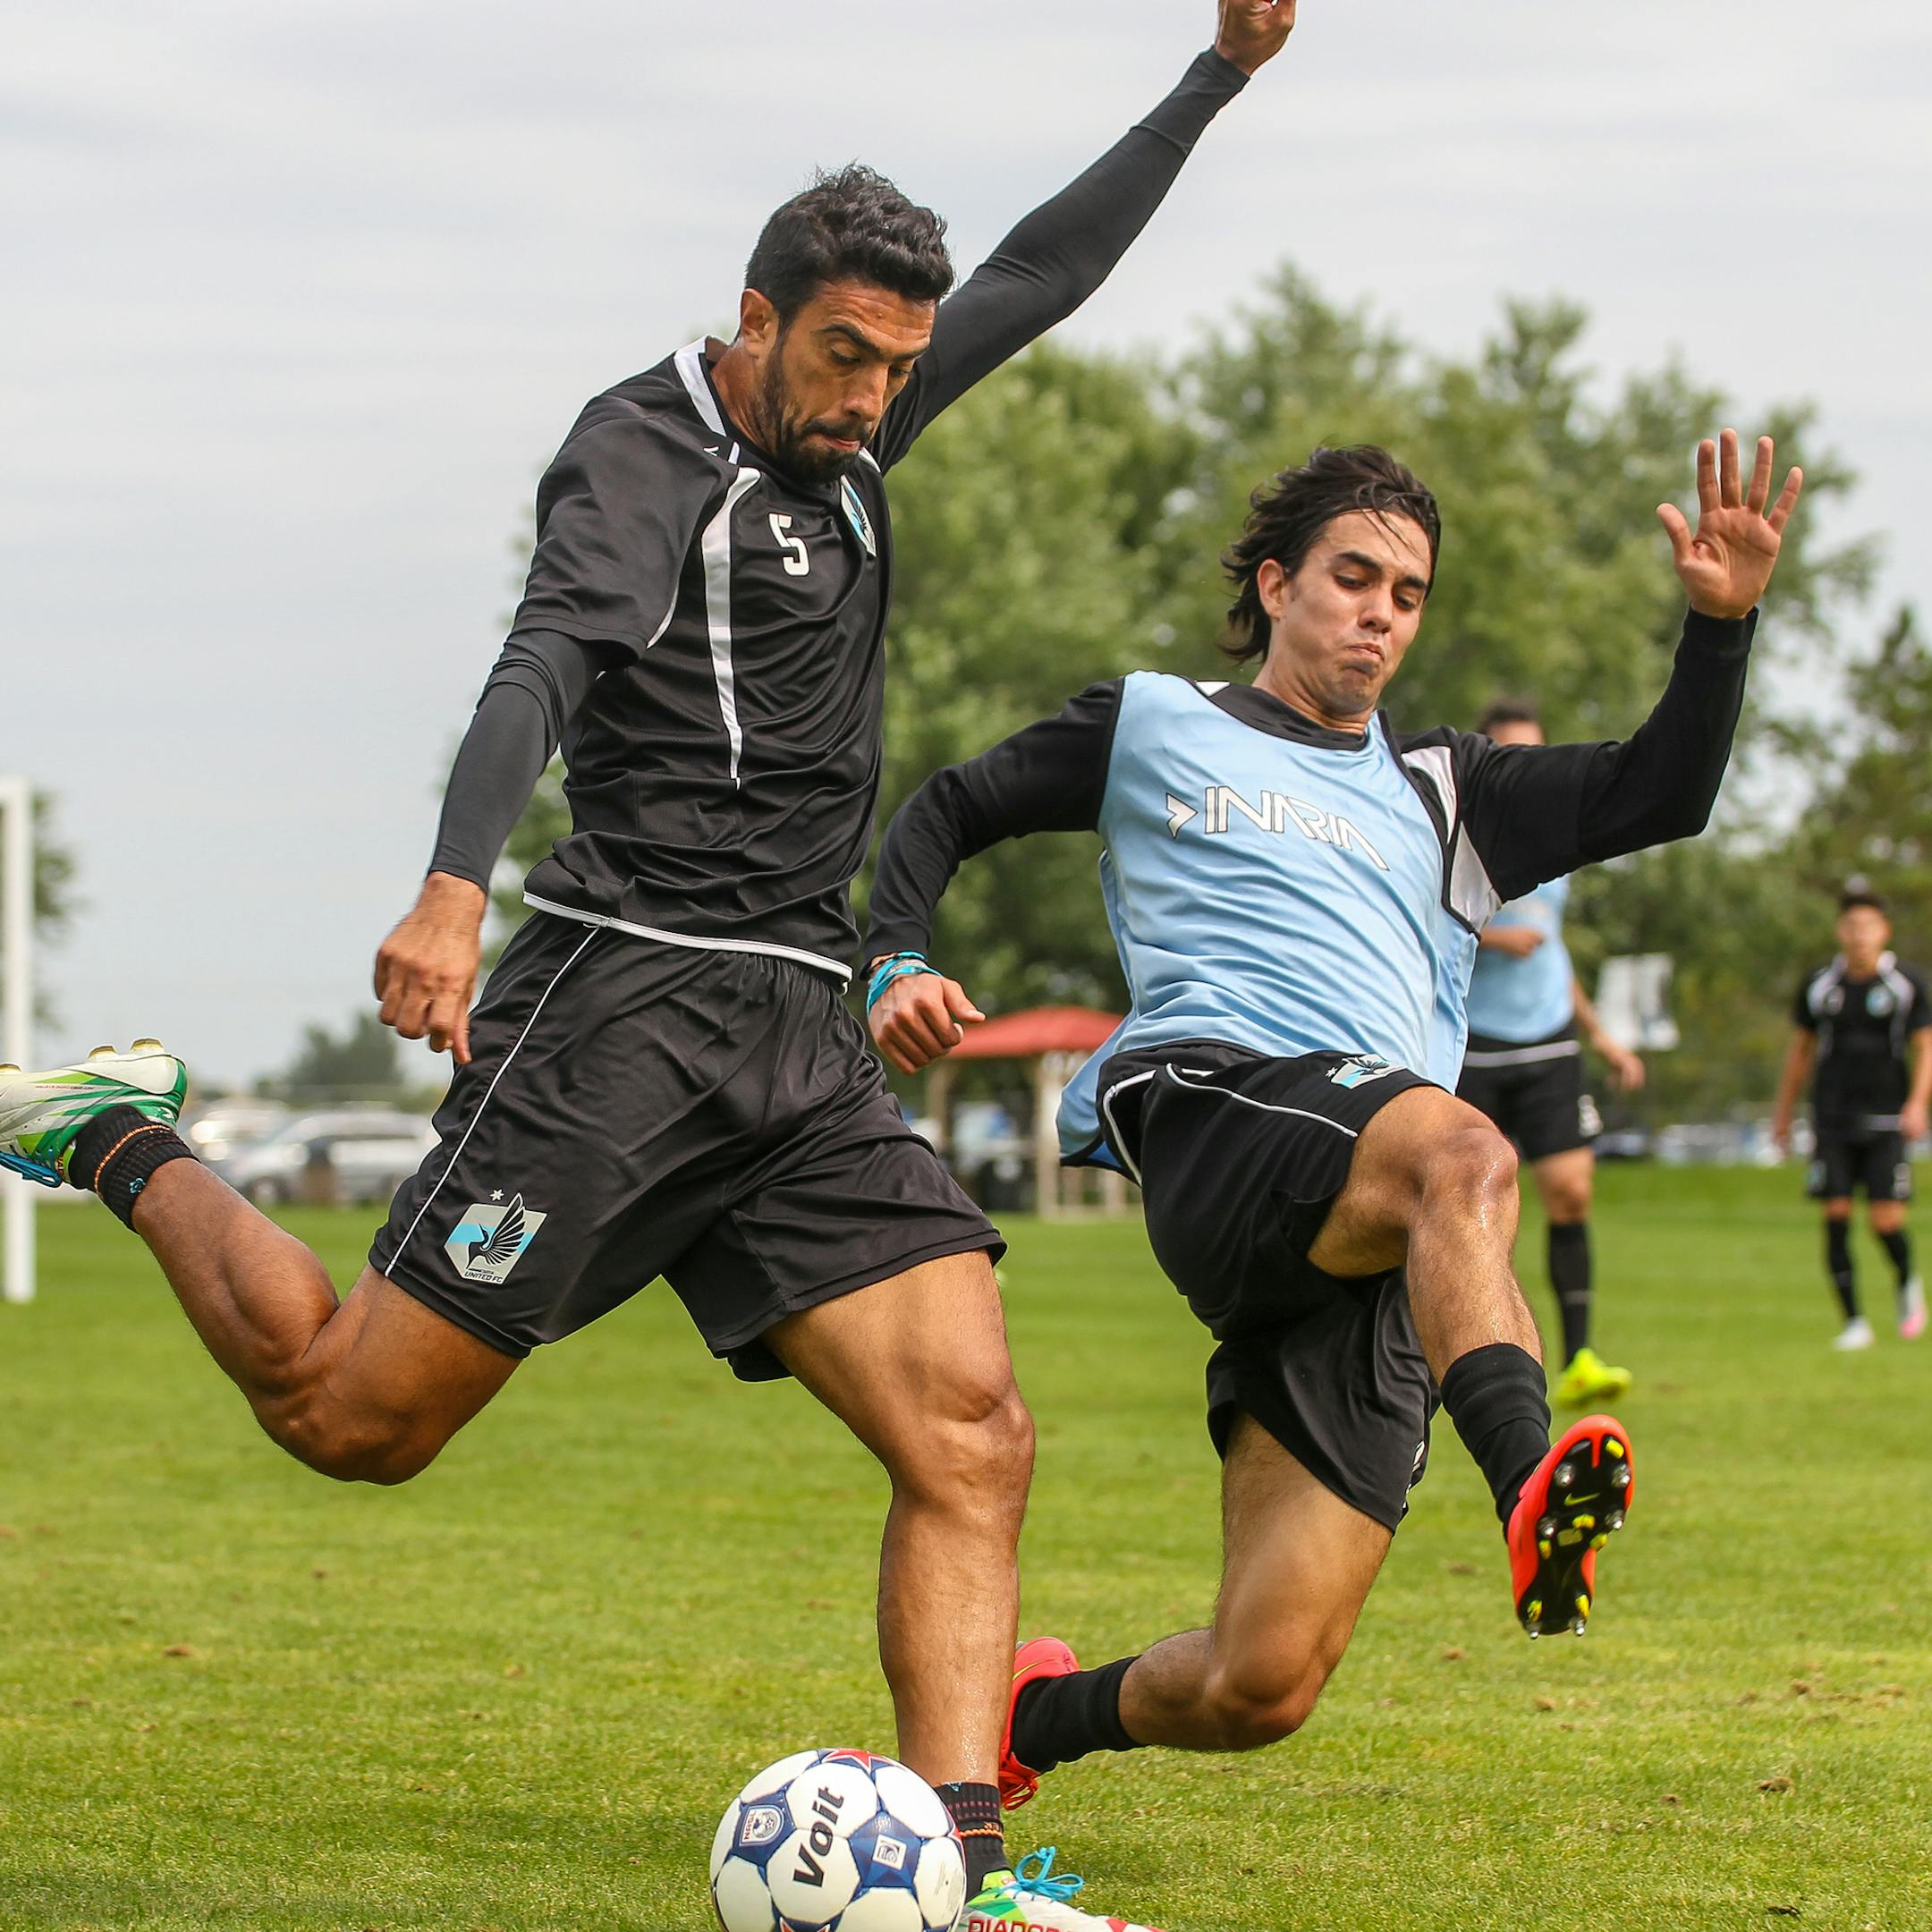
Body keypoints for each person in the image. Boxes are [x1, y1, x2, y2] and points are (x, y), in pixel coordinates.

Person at [0, 10, 1296, 1925]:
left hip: (797, 1028)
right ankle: (116, 1133)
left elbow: (1044, 268)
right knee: (354, 1417)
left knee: (971, 1429)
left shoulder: (866, 430)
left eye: (895, 367)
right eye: (841, 353)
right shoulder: (640, 452)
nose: (870, 396)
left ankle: (961, 1866)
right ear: (756, 317)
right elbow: (540, 668)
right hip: (617, 1010)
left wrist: (1220, 73)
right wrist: (453, 889)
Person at [863, 431, 1800, 1833]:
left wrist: (1719, 628)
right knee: (1469, 1152)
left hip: (1379, 1225)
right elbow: (950, 808)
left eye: (1408, 592)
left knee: (1261, 1683)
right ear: (1276, 584)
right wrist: (892, 961)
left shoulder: (1451, 790)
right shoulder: (1157, 722)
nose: (1381, 610)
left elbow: (1663, 793)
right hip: (1220, 1108)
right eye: (1353, 577)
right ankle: (1529, 1471)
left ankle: (1025, 1716)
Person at [1456, 697, 1645, 1407]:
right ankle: (1475, 1361)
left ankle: (1580, 1357)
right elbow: (1417, 932)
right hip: (1477, 1048)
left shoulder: (1558, 852)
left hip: (1551, 1044)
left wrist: (1601, 1034)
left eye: (1538, 751)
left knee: (1570, 1191)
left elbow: (1555, 955)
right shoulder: (1453, 840)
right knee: (1474, 1212)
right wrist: (1494, 937)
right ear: (1484, 758)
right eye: (1513, 753)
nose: (1529, 767)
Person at [1772, 886, 1930, 1347]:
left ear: (1884, 931)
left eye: (1868, 927)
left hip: (1887, 1120)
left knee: (1886, 1221)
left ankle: (1906, 1283)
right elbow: (1801, 1051)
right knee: (1836, 1214)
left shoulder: (1905, 984)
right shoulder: (1821, 985)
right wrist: (1783, 1114)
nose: (1859, 935)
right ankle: (1855, 1322)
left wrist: (1918, 1103)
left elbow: (1925, 1048)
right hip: (1832, 1119)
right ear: (1841, 932)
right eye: (1852, 926)